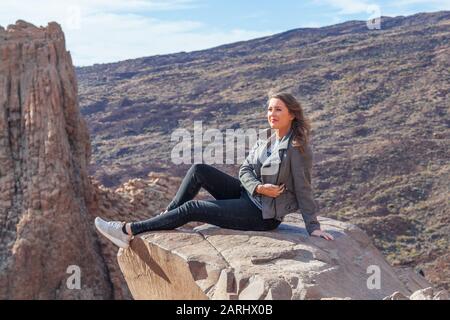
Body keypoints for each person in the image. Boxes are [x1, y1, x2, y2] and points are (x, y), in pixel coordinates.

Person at [95, 92, 334, 249]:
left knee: (193, 208)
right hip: (249, 195)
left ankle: (127, 230)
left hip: (263, 214)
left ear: (292, 114)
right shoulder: (266, 139)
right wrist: (258, 187)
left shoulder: (297, 148)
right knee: (199, 169)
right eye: (270, 109)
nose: (272, 114)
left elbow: (304, 189)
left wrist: (313, 228)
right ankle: (165, 217)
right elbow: (245, 170)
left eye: (278, 110)